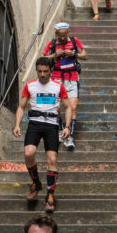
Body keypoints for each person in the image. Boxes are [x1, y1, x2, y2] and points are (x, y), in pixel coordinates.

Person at [14, 56, 72, 213]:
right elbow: (21, 106)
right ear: (36, 71)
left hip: (51, 125)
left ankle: (50, 195)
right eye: (39, 71)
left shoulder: (58, 86)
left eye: (45, 71)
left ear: (51, 71)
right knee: (28, 153)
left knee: (52, 159)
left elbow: (68, 107)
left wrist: (67, 127)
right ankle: (35, 183)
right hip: (35, 123)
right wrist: (17, 124)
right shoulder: (30, 86)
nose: (42, 74)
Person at [42, 23, 87, 151]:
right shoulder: (52, 43)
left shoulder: (74, 40)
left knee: (73, 107)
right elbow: (42, 58)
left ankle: (69, 135)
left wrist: (74, 54)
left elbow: (85, 55)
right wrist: (54, 55)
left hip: (72, 77)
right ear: (56, 34)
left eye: (64, 35)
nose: (62, 38)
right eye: (60, 35)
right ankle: (61, 129)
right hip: (56, 78)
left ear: (68, 32)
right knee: (56, 107)